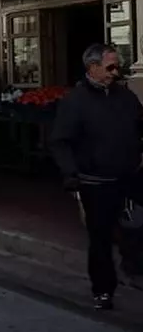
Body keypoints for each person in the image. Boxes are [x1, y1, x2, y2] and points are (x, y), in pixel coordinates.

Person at [50, 43, 143, 310]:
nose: (116, 72)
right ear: (93, 68)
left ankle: (135, 267)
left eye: (117, 66)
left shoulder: (125, 97)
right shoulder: (74, 102)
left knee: (136, 227)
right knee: (100, 238)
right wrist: (70, 173)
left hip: (130, 176)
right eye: (110, 67)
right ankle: (103, 290)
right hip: (96, 182)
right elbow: (59, 142)